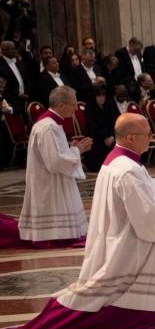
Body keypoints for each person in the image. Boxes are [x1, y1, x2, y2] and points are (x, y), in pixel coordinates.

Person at [0, 113, 155, 329]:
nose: (151, 137)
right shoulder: (128, 170)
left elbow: (136, 196)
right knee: (109, 302)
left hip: (118, 235)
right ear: (130, 137)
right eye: (147, 134)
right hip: (130, 246)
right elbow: (149, 219)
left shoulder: (117, 161)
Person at [0, 86, 92, 249]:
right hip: (48, 182)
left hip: (52, 179)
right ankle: (56, 236)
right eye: (73, 104)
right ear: (61, 105)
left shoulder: (52, 124)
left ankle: (62, 233)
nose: (76, 108)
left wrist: (72, 149)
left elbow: (57, 155)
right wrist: (77, 150)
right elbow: (55, 162)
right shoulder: (48, 127)